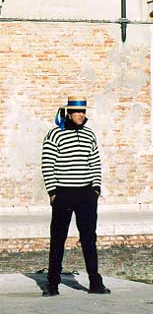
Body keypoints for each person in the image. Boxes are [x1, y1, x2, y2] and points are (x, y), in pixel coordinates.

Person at [41, 96, 110, 296]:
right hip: (63, 193)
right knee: (58, 238)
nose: (82, 115)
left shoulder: (89, 134)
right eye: (78, 112)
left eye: (84, 112)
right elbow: (47, 164)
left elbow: (95, 163)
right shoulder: (55, 134)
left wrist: (96, 189)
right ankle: (52, 284)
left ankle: (95, 283)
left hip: (86, 194)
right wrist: (52, 192)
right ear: (69, 113)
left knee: (89, 238)